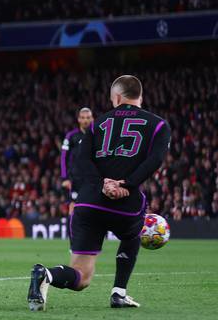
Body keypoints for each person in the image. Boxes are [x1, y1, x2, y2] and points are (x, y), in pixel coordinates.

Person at [27, 75, 171, 310]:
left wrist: (103, 183)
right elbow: (155, 160)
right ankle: (119, 293)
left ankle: (46, 275)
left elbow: (81, 160)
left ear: (116, 97)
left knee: (81, 277)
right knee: (134, 232)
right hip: (126, 203)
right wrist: (126, 184)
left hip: (88, 202)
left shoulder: (97, 124)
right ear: (140, 97)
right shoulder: (158, 125)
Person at [61, 108, 94, 213]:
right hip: (76, 179)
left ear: (92, 119)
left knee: (94, 206)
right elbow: (63, 157)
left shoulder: (98, 135)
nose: (85, 120)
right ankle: (71, 229)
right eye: (83, 118)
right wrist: (64, 178)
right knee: (74, 206)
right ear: (79, 119)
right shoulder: (71, 136)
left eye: (88, 118)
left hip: (92, 178)